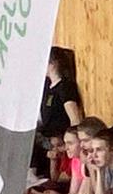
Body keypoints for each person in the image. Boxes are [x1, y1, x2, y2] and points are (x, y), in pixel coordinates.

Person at [36, 46, 85, 179]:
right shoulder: (47, 86)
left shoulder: (65, 87)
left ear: (53, 64)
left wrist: (71, 143)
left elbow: (74, 118)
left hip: (61, 139)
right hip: (49, 140)